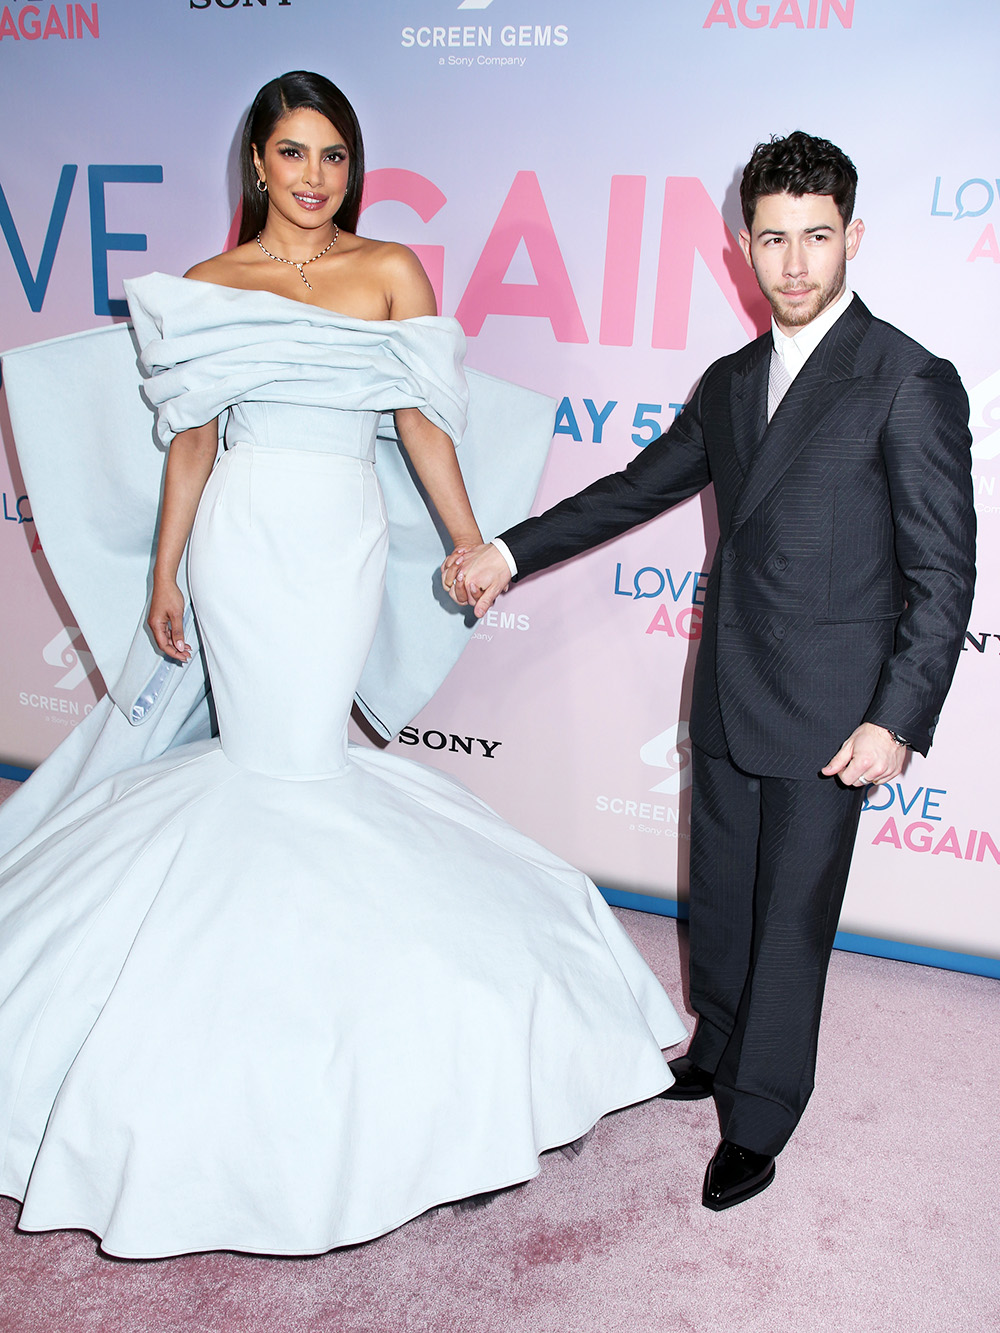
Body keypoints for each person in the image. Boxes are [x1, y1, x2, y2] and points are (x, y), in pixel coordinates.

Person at [0, 72, 687, 1258]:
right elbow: (193, 443)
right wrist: (165, 575)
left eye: (332, 156)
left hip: (339, 537)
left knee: (306, 763)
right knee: (259, 770)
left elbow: (423, 421)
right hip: (239, 539)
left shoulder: (391, 274)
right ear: (256, 165)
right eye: (293, 153)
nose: (315, 176)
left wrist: (472, 538)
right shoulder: (209, 288)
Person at [445, 131, 976, 1212]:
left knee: (792, 918)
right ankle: (716, 1047)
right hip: (729, 686)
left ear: (852, 238)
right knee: (725, 894)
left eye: (815, 238)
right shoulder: (731, 380)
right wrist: (506, 550)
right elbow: (637, 487)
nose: (793, 262)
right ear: (742, 246)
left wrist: (897, 716)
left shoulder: (907, 378)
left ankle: (763, 1112)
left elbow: (942, 571)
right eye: (772, 239)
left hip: (834, 710)